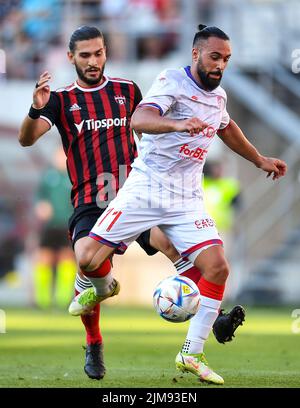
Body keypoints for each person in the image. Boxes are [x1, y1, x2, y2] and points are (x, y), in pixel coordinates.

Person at [18, 26, 244, 382]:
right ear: (71, 58)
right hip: (91, 201)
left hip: (137, 194)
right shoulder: (60, 100)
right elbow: (27, 140)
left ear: (106, 52)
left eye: (99, 53)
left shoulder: (126, 90)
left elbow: (148, 128)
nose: (93, 62)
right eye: (85, 55)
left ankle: (211, 320)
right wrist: (35, 109)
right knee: (88, 261)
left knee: (174, 247)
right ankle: (94, 342)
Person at [68, 24, 287, 384]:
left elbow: (227, 128)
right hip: (147, 187)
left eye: (227, 60)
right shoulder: (172, 80)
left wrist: (259, 159)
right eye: (215, 57)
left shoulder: (219, 98)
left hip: (186, 198)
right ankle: (104, 287)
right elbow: (139, 118)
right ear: (196, 54)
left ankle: (192, 353)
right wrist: (178, 125)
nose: (220, 65)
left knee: (217, 267)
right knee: (88, 258)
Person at [33, 146, 76, 309]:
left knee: (66, 258)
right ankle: (42, 300)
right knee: (44, 258)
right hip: (50, 225)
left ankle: (62, 300)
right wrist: (40, 206)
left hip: (67, 224)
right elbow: (40, 196)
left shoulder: (74, 177)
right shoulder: (48, 176)